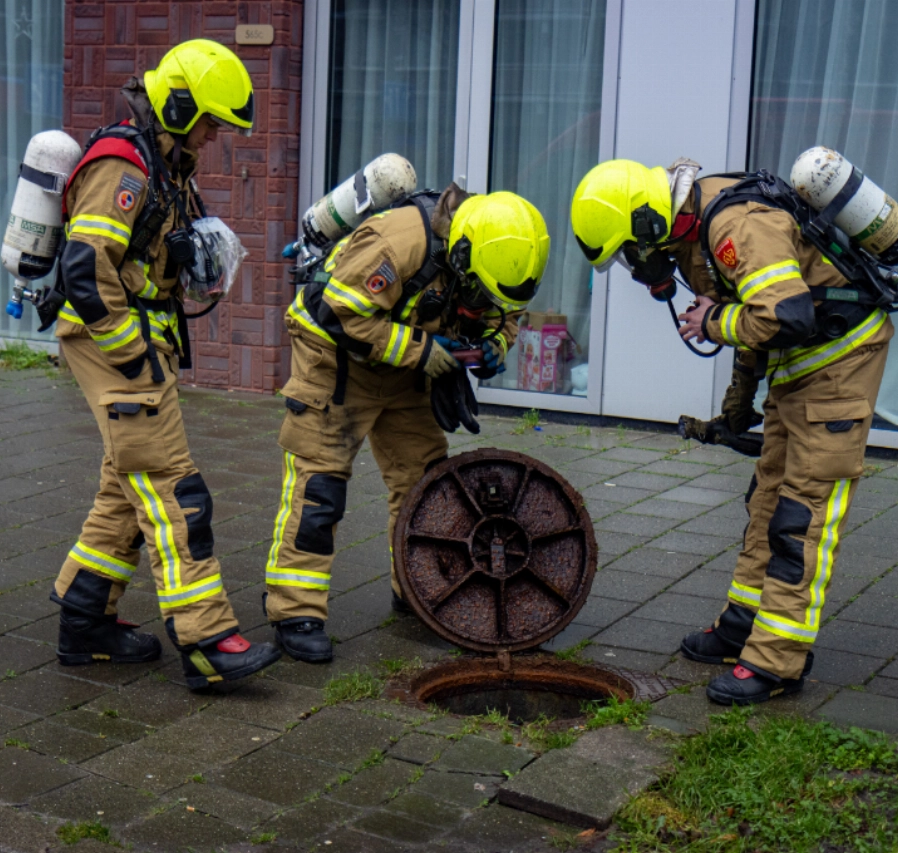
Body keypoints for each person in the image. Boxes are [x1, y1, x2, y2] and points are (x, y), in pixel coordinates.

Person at [571, 158, 892, 705]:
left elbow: (784, 316)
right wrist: (739, 406)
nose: (638, 266)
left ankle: (776, 661)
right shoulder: (697, 227)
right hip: (801, 368)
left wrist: (712, 323)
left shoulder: (735, 225)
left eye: (631, 251)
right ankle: (742, 627)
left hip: (840, 362)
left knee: (802, 517)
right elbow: (754, 313)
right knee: (766, 503)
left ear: (647, 224)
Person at [49, 40, 281, 690]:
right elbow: (85, 272)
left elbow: (142, 257)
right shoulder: (125, 165)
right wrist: (133, 355)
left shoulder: (163, 163)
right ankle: (207, 642)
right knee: (177, 493)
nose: (212, 137)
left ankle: (84, 622)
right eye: (208, 121)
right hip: (118, 344)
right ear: (178, 106)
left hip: (142, 340)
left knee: (124, 493)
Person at [262, 186, 550, 662]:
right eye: (476, 291)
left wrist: (496, 343)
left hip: (404, 364)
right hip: (334, 362)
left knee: (427, 487)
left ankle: (416, 589)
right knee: (320, 489)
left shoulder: (505, 253)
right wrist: (421, 353)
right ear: (460, 254)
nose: (482, 302)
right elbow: (339, 313)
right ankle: (294, 613)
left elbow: (508, 311)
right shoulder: (399, 243)